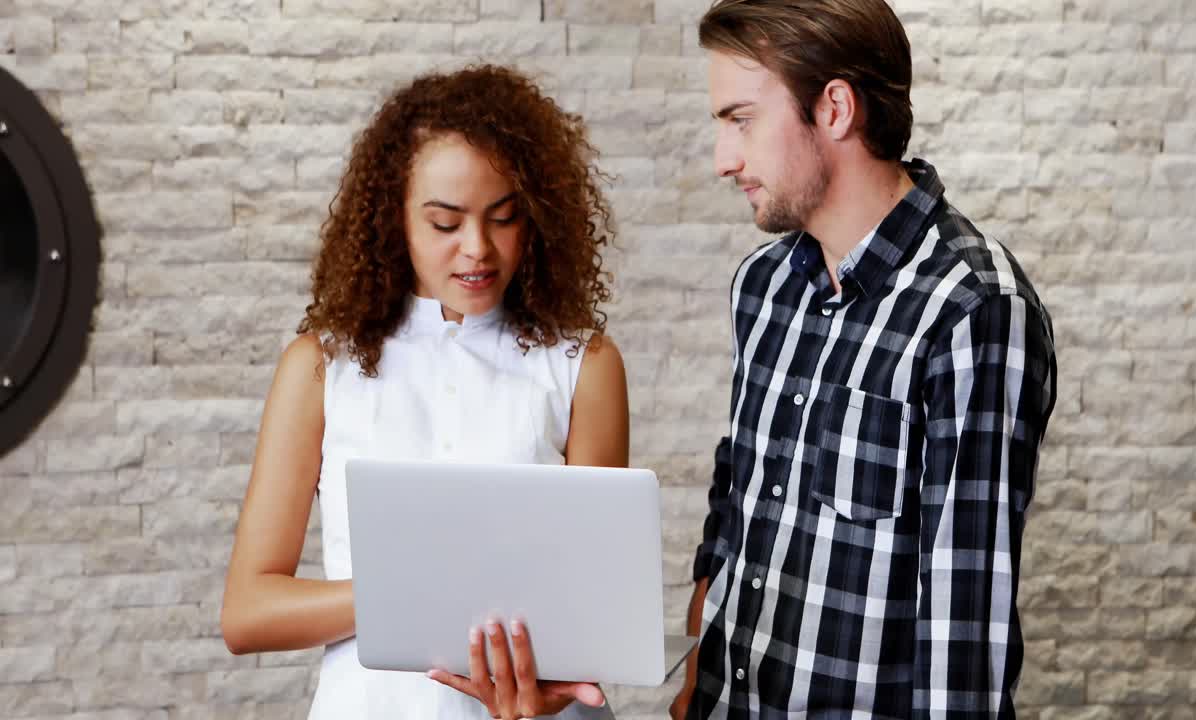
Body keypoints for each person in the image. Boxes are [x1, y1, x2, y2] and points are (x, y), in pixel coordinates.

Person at [670, 1, 1058, 717]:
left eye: (741, 119)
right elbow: (734, 507)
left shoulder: (972, 310)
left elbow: (962, 634)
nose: (724, 159)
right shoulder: (763, 286)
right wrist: (696, 681)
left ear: (836, 108)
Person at [220, 64, 626, 720]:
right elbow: (247, 613)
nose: (478, 250)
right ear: (394, 222)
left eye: (504, 217)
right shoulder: (322, 367)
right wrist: (419, 591)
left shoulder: (584, 364)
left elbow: (590, 608)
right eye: (445, 223)